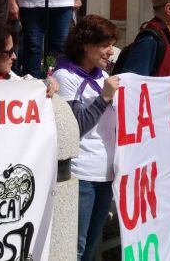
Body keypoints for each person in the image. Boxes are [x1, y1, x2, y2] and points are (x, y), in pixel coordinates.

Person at [51, 15, 120, 261]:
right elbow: (75, 127)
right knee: (76, 248)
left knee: (91, 246)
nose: (110, 51)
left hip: (106, 174)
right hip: (82, 176)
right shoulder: (64, 77)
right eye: (104, 45)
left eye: (112, 45)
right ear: (85, 45)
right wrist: (104, 98)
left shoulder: (102, 76)